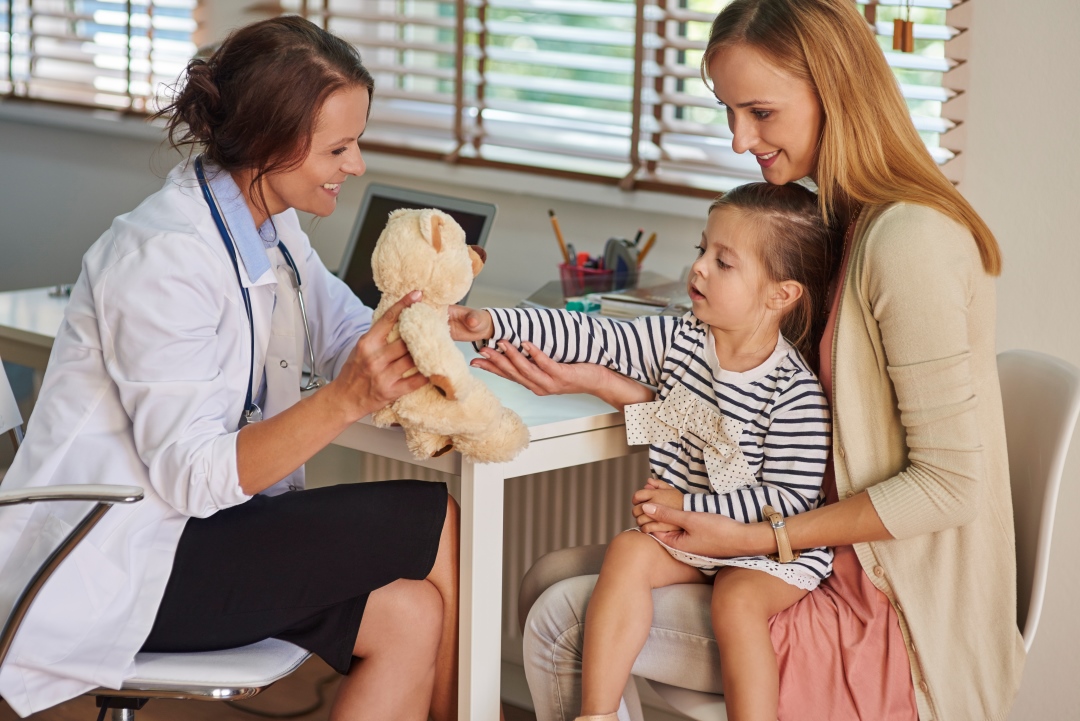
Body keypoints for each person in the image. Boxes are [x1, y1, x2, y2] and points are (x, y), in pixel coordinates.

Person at [456, 0, 1025, 719]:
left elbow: (949, 487)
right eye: (729, 112)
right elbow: (744, 432)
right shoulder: (832, 225)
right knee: (547, 576)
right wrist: (604, 382)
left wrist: (760, 537)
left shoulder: (907, 240)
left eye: (759, 112)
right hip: (793, 531)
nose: (737, 141)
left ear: (834, 89)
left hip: (883, 602)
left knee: (560, 616)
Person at [0, 17, 460, 721]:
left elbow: (340, 327)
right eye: (340, 147)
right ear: (272, 143)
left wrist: (443, 337)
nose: (357, 164)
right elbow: (194, 475)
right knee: (438, 518)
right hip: (123, 557)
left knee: (412, 614)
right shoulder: (163, 256)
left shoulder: (270, 225)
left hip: (203, 535)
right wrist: (342, 400)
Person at [453, 182, 836, 721]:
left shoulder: (793, 392)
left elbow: (788, 502)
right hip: (690, 537)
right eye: (703, 250)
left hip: (763, 552)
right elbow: (593, 335)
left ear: (781, 294)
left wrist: (687, 506)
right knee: (628, 551)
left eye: (723, 263)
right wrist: (495, 323)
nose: (699, 268)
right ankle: (598, 715)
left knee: (738, 602)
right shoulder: (679, 341)